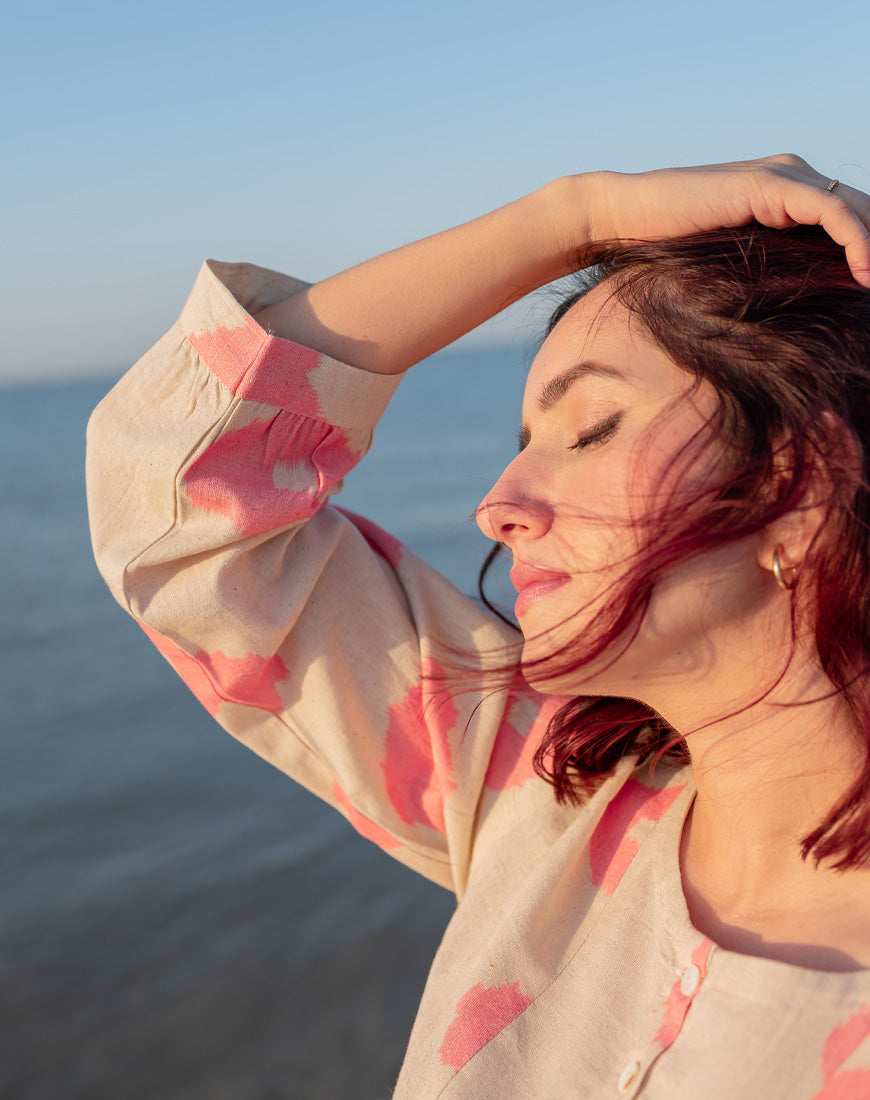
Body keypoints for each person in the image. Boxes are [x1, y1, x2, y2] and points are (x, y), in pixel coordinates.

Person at [87, 154, 870, 1098]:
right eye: (522, 447)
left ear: (810, 479)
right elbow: (175, 501)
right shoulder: (544, 801)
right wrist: (578, 213)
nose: (496, 506)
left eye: (589, 429)